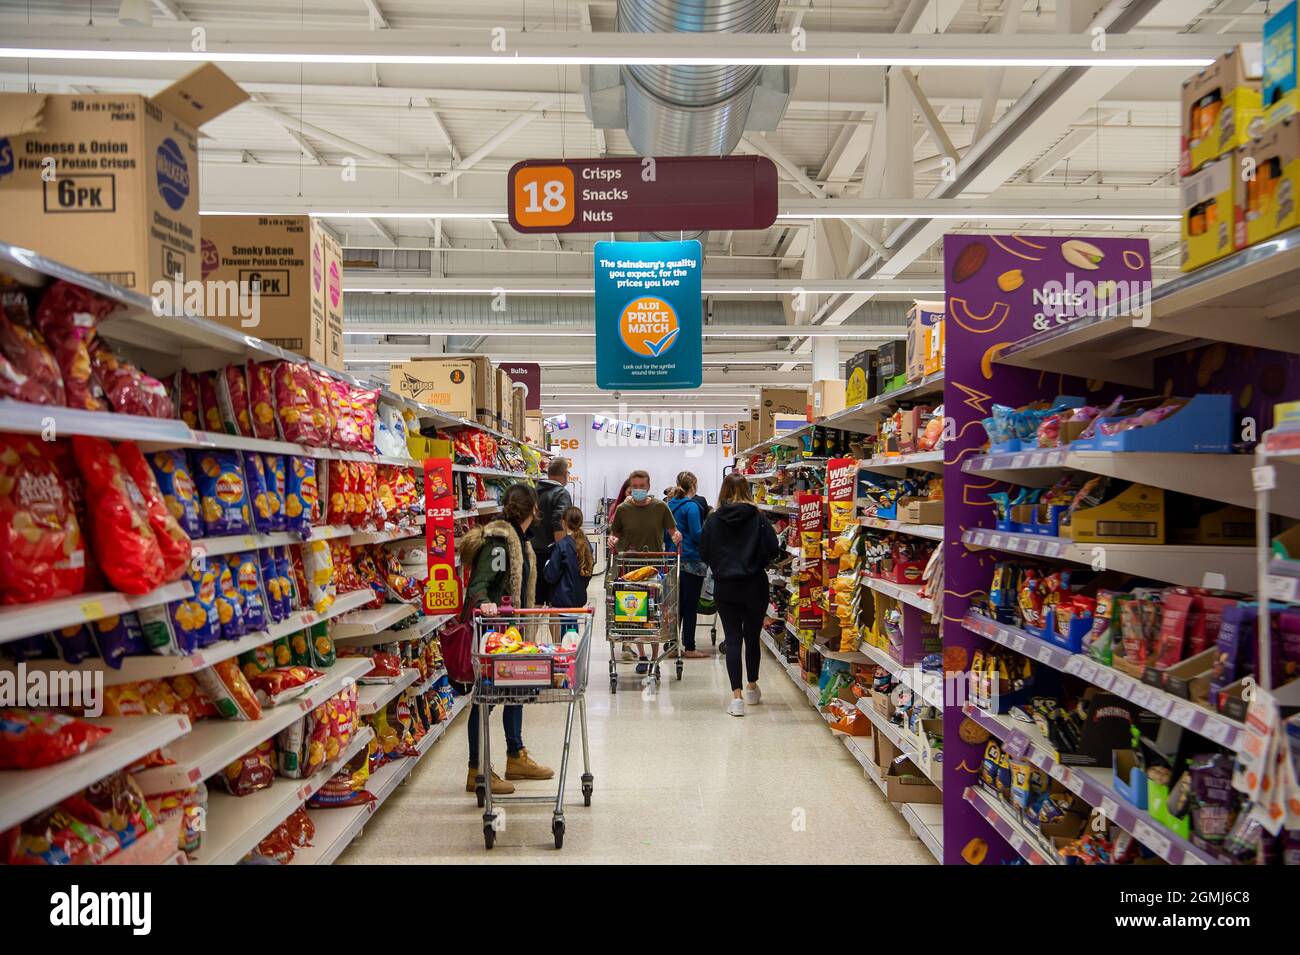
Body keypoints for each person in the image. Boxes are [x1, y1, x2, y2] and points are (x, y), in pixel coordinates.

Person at [457, 482, 554, 794]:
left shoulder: (518, 540)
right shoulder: (500, 542)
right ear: (533, 510)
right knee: (484, 700)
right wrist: (486, 602)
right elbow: (478, 585)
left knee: (518, 691)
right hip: (495, 635)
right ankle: (478, 770)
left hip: (511, 632)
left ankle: (516, 756)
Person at [700, 473, 780, 717]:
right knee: (752, 636)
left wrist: (721, 565)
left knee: (733, 638)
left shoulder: (713, 520)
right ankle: (752, 686)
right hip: (755, 584)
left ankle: (736, 698)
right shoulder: (758, 517)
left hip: (726, 586)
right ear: (748, 490)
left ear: (723, 491)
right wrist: (757, 561)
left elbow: (704, 551)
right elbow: (774, 549)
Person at [609, 470, 681, 673]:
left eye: (642, 486)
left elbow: (672, 531)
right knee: (635, 614)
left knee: (654, 613)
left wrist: (677, 536)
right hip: (630, 569)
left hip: (655, 567)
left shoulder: (660, 507)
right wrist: (612, 540)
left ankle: (655, 659)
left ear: (649, 486)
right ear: (630, 487)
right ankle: (642, 656)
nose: (638, 490)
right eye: (635, 486)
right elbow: (615, 533)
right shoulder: (623, 509)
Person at [664, 471, 708, 659]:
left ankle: (672, 645)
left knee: (675, 606)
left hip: (673, 560)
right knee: (690, 607)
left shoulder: (668, 505)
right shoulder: (692, 507)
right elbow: (697, 534)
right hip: (691, 561)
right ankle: (689, 647)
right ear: (694, 486)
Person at [532, 457, 572, 606]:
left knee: (534, 604)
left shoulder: (533, 491)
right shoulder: (561, 494)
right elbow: (558, 523)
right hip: (551, 556)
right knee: (554, 605)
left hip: (532, 555)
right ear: (565, 473)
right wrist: (563, 553)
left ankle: (530, 631)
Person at [544, 506, 595, 608]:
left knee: (567, 623)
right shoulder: (586, 544)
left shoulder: (562, 545)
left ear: (564, 523)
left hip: (562, 600)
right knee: (573, 623)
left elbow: (550, 575)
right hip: (579, 598)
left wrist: (547, 564)